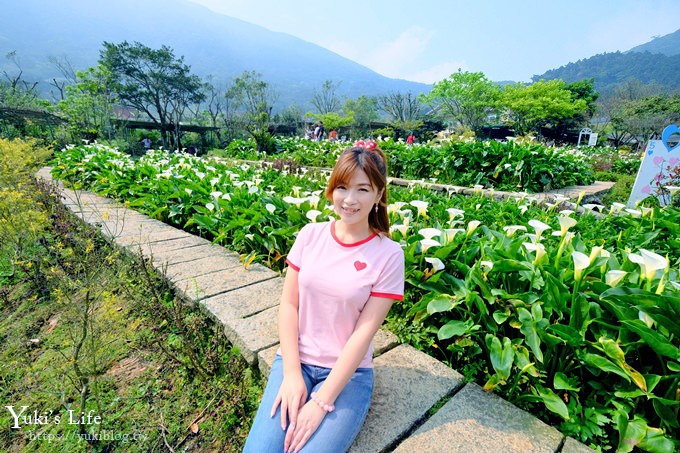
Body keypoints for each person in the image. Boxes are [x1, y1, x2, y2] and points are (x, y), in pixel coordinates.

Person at [244, 140, 405, 453]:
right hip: (296, 362)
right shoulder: (310, 235)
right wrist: (292, 375)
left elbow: (363, 334)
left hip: (349, 376)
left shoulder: (389, 255)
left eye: (362, 189)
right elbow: (289, 305)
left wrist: (321, 401)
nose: (349, 200)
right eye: (342, 187)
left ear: (379, 195)